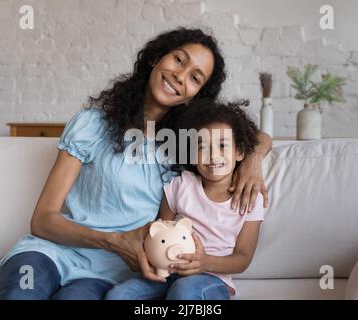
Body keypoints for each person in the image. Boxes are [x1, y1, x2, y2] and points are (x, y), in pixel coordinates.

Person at [0, 27, 272, 300]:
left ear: (196, 96)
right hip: (50, 253)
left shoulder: (186, 144)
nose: (179, 75)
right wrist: (113, 241)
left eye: (195, 78)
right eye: (178, 60)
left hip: (108, 275)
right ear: (156, 58)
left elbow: (249, 135)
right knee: (21, 293)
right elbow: (42, 221)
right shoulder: (93, 124)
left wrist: (252, 160)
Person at [105, 99, 264, 300]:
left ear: (239, 152)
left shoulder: (249, 199)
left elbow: (243, 259)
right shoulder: (180, 185)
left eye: (222, 146)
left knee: (184, 293)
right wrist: (156, 257)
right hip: (167, 271)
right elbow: (159, 229)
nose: (213, 155)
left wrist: (204, 262)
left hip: (210, 278)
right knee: (118, 295)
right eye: (203, 147)